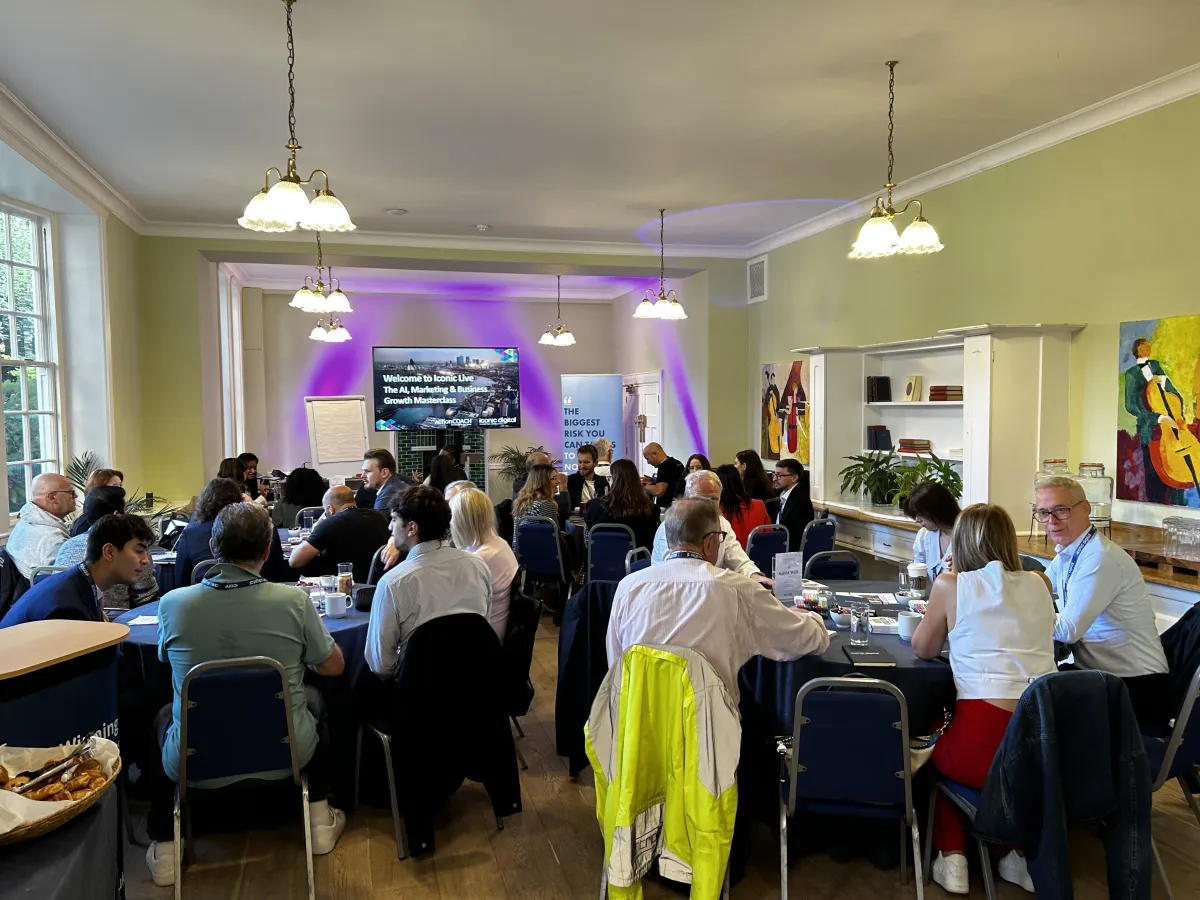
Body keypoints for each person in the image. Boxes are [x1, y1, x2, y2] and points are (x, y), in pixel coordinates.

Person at [147, 503, 346, 885]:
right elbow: (334, 667)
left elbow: (163, 660)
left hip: (193, 757)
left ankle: (166, 844)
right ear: (268, 549)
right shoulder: (294, 602)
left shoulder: (172, 604)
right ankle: (319, 818)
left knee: (162, 717)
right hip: (286, 750)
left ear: (213, 547)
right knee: (315, 701)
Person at [912, 504, 1056, 895]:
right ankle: (1015, 852)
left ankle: (953, 854)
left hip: (980, 746)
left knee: (932, 742)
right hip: (1043, 745)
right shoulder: (1041, 582)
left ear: (960, 542)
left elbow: (923, 648)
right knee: (1010, 771)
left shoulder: (951, 584)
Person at [608, 498, 828, 695]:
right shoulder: (738, 589)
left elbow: (615, 661)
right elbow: (805, 639)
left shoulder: (628, 586)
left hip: (637, 717)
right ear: (709, 543)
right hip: (708, 720)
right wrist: (809, 617)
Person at [1037, 476, 1171, 727]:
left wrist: (1020, 614)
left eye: (1061, 510)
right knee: (1037, 692)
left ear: (1085, 508)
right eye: (1043, 513)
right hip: (1099, 676)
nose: (1051, 521)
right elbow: (1040, 586)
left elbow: (1068, 631)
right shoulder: (1073, 550)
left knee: (1036, 699)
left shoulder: (1099, 558)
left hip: (1136, 687)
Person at [365, 486, 492, 678]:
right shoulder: (478, 565)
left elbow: (381, 666)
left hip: (418, 688)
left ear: (412, 528)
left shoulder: (393, 583)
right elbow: (482, 627)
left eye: (394, 519)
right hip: (476, 679)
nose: (390, 527)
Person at [1, 514, 152, 627]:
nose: (145, 560)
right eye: (139, 551)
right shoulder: (68, 607)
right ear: (109, 552)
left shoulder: (80, 584)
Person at [651, 470, 771, 586]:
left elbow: (738, 560)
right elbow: (677, 570)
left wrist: (756, 577)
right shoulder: (671, 525)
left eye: (714, 499)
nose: (708, 505)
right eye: (701, 499)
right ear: (686, 497)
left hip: (710, 585)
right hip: (672, 587)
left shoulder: (722, 523)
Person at [56, 487, 159, 608]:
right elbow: (146, 597)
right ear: (116, 516)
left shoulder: (67, 545)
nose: (144, 560)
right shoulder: (129, 545)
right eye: (125, 511)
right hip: (119, 616)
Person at [177, 479, 288, 585]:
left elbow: (180, 581)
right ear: (238, 502)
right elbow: (279, 574)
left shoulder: (190, 536)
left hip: (204, 595)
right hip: (259, 592)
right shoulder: (259, 530)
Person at [1123, 337, 1191, 504]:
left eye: (1148, 346)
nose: (1147, 349)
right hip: (1150, 430)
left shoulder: (1156, 366)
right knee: (1155, 474)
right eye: (1143, 347)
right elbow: (1131, 405)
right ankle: (1156, 508)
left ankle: (1179, 505)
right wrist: (1159, 418)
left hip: (1172, 429)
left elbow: (1174, 394)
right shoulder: (1132, 374)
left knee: (1178, 469)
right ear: (1137, 351)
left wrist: (1163, 383)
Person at [450, 487, 518, 641]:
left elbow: (456, 606)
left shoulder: (481, 558)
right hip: (495, 628)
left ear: (462, 521)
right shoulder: (499, 543)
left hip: (486, 639)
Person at [289, 485, 390, 584]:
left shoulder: (331, 524)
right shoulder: (379, 516)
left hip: (343, 585)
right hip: (379, 582)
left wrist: (321, 523)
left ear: (330, 509)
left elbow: (294, 561)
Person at [7, 472, 76, 580]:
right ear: (52, 497)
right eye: (71, 492)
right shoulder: (54, 540)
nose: (75, 496)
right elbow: (67, 582)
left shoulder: (27, 519)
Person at [584, 459, 661, 551]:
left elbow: (587, 541)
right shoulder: (652, 510)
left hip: (599, 558)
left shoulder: (593, 507)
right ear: (636, 480)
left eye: (609, 478)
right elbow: (654, 543)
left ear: (612, 480)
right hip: (638, 558)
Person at [901, 481, 961, 579]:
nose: (917, 520)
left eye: (920, 514)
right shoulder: (924, 535)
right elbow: (917, 572)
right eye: (915, 515)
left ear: (937, 509)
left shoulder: (968, 535)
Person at [714, 464, 771, 549]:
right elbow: (769, 535)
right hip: (758, 554)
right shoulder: (759, 505)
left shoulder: (715, 509)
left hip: (728, 555)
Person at [772, 458, 814, 552]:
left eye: (779, 475)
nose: (774, 479)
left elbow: (795, 536)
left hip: (790, 552)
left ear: (794, 478)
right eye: (774, 474)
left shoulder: (800, 501)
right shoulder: (785, 495)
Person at [641, 442, 684, 511]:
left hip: (667, 509)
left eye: (647, 459)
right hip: (679, 507)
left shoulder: (664, 466)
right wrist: (655, 482)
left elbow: (659, 491)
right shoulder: (677, 463)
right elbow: (672, 483)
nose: (648, 462)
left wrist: (642, 485)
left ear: (655, 454)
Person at [566, 443, 608, 510]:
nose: (582, 466)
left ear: (595, 463)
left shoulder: (603, 481)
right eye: (580, 462)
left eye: (586, 462)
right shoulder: (570, 481)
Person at [363, 448, 405, 515]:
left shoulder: (388, 494)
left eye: (367, 471)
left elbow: (377, 521)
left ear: (384, 473)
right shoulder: (396, 484)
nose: (362, 475)